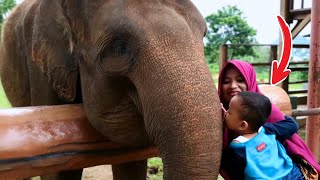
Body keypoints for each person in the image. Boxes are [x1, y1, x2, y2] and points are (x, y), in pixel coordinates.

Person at [218, 60, 319, 180]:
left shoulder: (266, 112)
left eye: (240, 80)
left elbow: (292, 135)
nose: (233, 86)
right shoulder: (268, 130)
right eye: (226, 81)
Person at [222, 91, 303, 179]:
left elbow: (233, 173)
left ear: (242, 125)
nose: (225, 113)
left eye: (229, 112)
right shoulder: (268, 130)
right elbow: (293, 125)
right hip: (292, 175)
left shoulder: (237, 148)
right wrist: (281, 115)